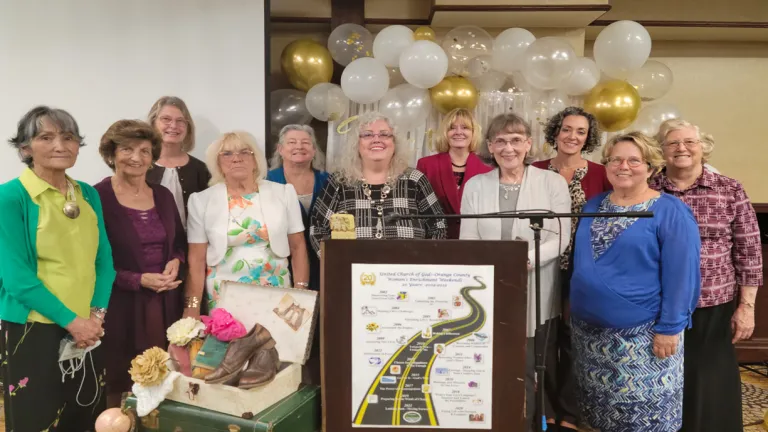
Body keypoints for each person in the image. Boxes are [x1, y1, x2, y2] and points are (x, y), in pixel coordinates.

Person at [569, 132, 701, 432]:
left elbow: (683, 276)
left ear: (652, 167)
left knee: (643, 421)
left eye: (633, 160)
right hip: (589, 338)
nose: (623, 166)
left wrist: (670, 328)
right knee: (598, 415)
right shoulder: (593, 205)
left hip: (643, 339)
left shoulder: (670, 211)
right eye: (615, 159)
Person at [0, 106, 116, 431]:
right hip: (34, 330)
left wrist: (95, 317)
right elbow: (16, 278)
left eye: (68, 137)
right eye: (46, 137)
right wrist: (73, 322)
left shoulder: (89, 194)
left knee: (86, 416)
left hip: (89, 330)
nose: (59, 145)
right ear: (25, 148)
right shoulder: (10, 197)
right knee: (37, 421)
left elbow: (105, 262)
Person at [459, 113, 570, 431]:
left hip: (537, 282)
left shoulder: (551, 182)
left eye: (516, 140)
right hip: (489, 284)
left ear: (529, 144)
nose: (509, 148)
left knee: (534, 362)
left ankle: (533, 420)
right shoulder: (476, 185)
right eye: (501, 141)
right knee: (495, 359)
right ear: (490, 146)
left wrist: (525, 261)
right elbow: (469, 238)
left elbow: (560, 237)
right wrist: (496, 266)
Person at [650, 119, 763, 432]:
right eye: (672, 143)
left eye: (689, 142)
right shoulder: (650, 189)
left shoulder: (729, 189)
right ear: (662, 151)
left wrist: (747, 306)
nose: (681, 149)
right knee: (662, 376)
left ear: (703, 148)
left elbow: (749, 251)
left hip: (714, 301)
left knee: (710, 378)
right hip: (658, 303)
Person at [94, 120, 187, 408]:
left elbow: (179, 243)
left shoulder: (162, 194)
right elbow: (92, 259)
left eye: (145, 151)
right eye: (127, 149)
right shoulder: (96, 197)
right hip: (121, 305)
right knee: (120, 381)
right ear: (112, 154)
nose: (136, 157)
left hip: (165, 302)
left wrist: (176, 260)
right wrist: (137, 279)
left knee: (165, 377)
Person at [532, 106, 611, 431]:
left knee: (574, 336)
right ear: (555, 133)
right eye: (567, 129)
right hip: (543, 262)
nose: (572, 136)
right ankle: (546, 406)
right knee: (543, 336)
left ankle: (570, 412)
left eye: (580, 131)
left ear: (588, 137)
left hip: (585, 268)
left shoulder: (601, 174)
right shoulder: (534, 169)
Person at [183, 131, 310, 317]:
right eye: (227, 154)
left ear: (255, 159)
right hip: (224, 292)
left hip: (276, 289)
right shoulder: (201, 201)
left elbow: (298, 247)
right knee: (228, 345)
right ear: (217, 163)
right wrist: (192, 307)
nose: (236, 159)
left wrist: (301, 293)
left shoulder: (283, 193)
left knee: (277, 344)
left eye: (244, 152)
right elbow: (196, 259)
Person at [309, 112, 446, 254]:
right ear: (357, 143)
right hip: (351, 272)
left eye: (384, 134)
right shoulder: (339, 182)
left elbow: (438, 225)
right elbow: (317, 229)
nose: (376, 140)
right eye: (367, 135)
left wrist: (426, 264)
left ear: (395, 142)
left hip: (407, 274)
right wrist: (335, 262)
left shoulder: (415, 180)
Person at [267, 124, 329, 291]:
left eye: (305, 142)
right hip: (282, 264)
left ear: (314, 150)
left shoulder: (329, 181)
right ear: (280, 149)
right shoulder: (266, 182)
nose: (299, 146)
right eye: (292, 142)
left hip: (324, 262)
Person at [416, 108, 492, 239]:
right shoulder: (426, 165)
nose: (458, 132)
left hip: (476, 242)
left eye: (465, 127)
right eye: (452, 128)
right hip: (437, 241)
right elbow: (419, 208)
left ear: (473, 133)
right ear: (445, 133)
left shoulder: (488, 167)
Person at [145, 96, 211, 228]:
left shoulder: (201, 169)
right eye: (166, 119)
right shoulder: (140, 166)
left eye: (180, 121)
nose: (174, 126)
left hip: (191, 245)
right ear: (153, 123)